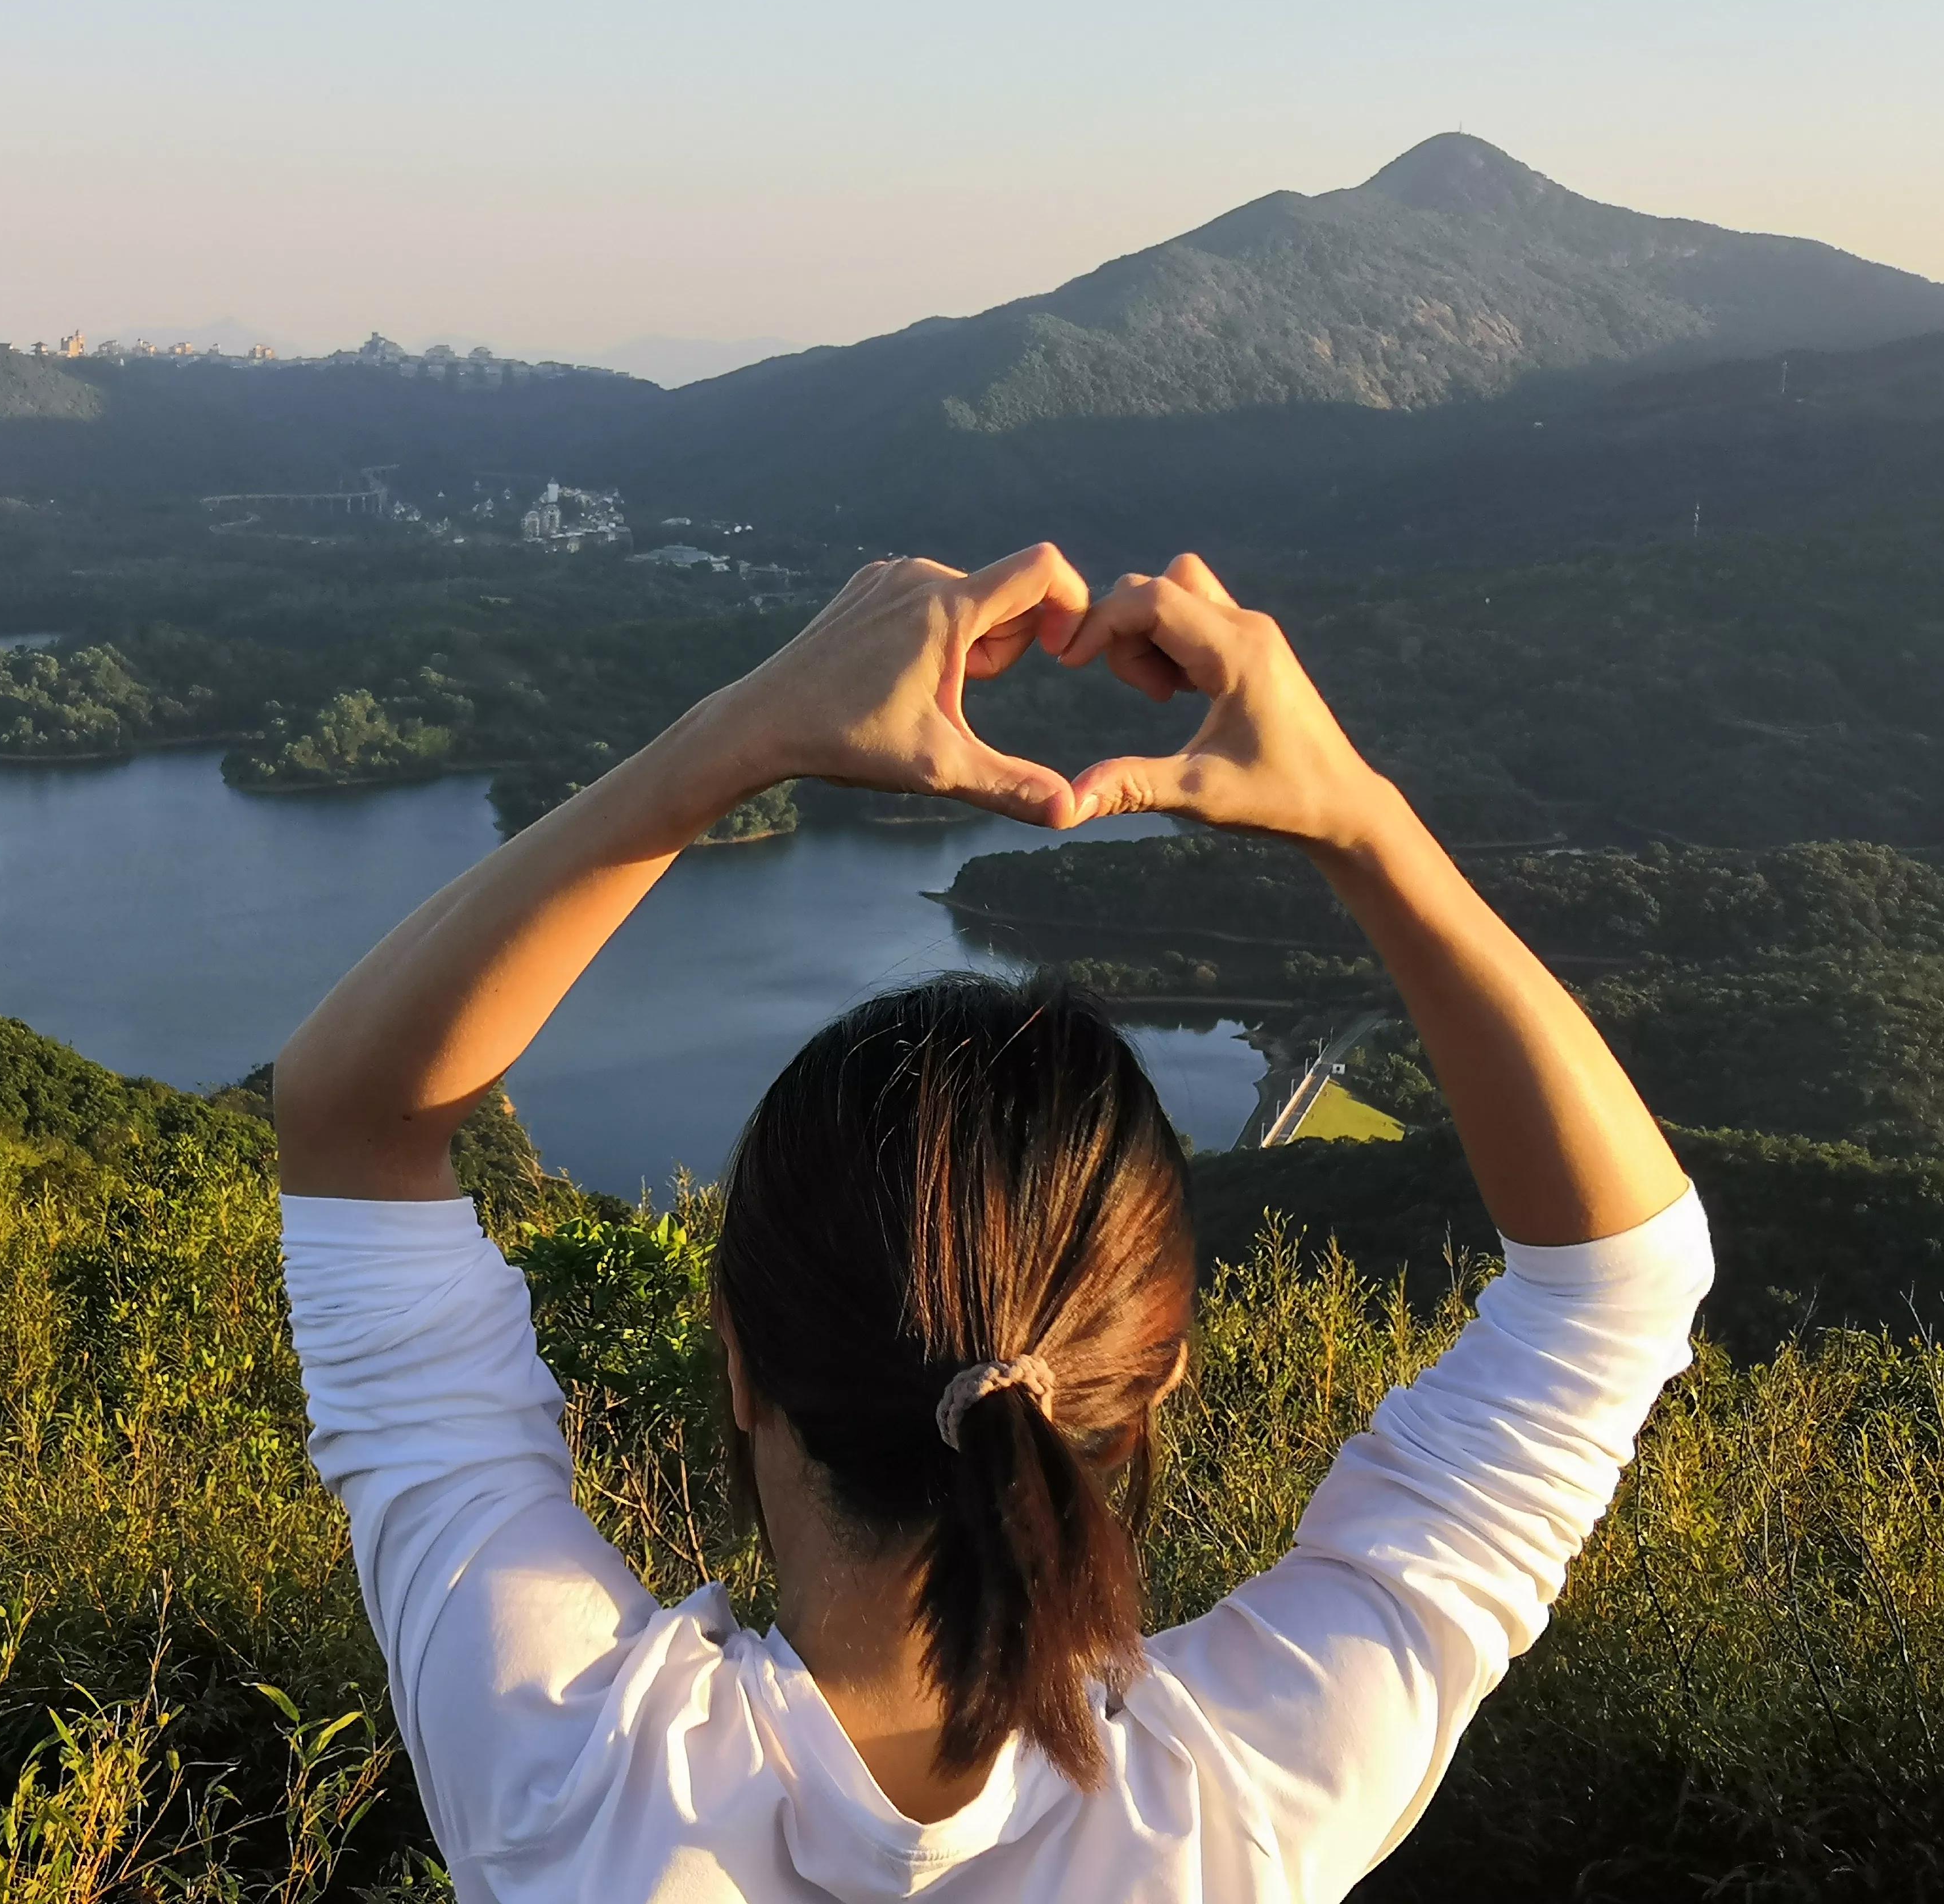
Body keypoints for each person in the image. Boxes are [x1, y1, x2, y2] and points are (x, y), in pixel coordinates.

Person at [275, 548, 1710, 1902]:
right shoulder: (1242, 1810)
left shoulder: (573, 1779)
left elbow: (350, 1123)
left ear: (740, 1364)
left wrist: (741, 730)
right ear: (1151, 1386)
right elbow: (1618, 1291)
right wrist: (1361, 818)